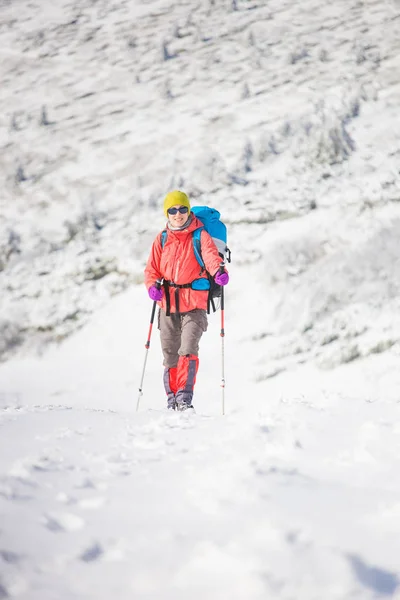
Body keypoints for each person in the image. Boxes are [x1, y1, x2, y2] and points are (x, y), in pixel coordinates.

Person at [144, 190, 229, 411]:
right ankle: (172, 399)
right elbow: (152, 269)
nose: (178, 214)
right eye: (172, 210)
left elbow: (211, 256)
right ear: (167, 213)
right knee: (170, 353)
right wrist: (152, 286)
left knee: (188, 349)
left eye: (182, 209)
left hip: (195, 304)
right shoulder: (162, 238)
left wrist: (219, 271)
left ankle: (184, 398)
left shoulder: (200, 235)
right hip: (168, 304)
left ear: (188, 210)